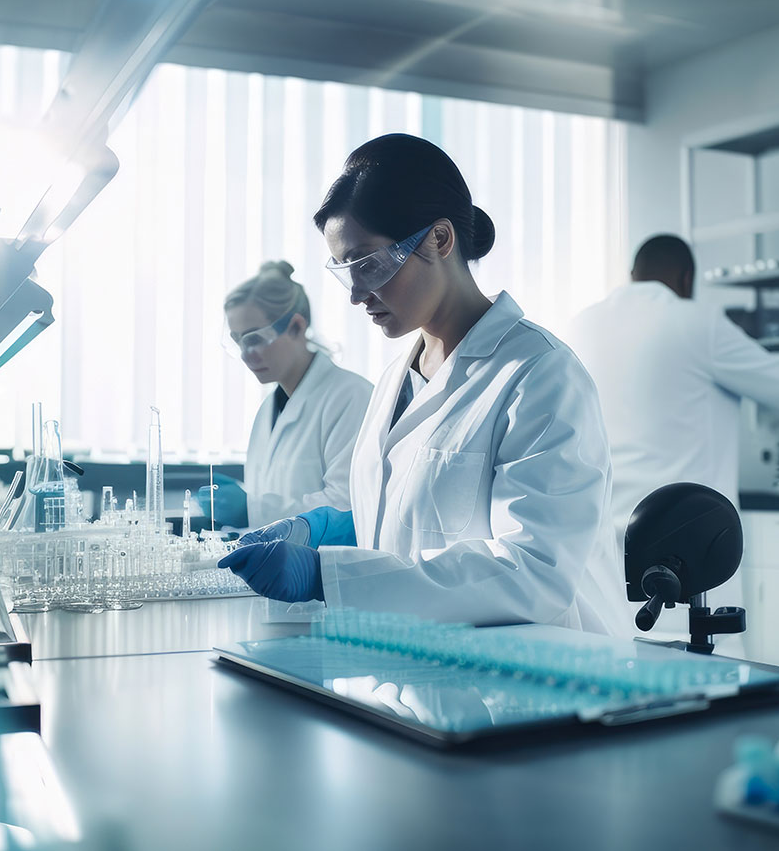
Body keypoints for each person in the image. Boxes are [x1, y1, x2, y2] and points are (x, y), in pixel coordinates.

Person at [218, 133, 626, 634]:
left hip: (543, 677)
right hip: (426, 666)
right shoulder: (394, 380)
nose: (357, 295)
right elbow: (409, 522)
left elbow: (534, 572)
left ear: (440, 239)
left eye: (368, 264)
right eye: (346, 272)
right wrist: (332, 527)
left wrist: (327, 576)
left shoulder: (540, 375)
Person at [566, 234, 779, 532]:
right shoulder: (697, 321)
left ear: (632, 276)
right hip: (684, 533)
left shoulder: (581, 324)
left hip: (599, 534)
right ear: (687, 279)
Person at [212, 260, 372, 530]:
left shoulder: (352, 397)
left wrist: (252, 509)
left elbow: (347, 504)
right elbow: (279, 493)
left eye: (254, 338)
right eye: (238, 340)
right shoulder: (268, 409)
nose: (245, 354)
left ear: (297, 326)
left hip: (325, 568)